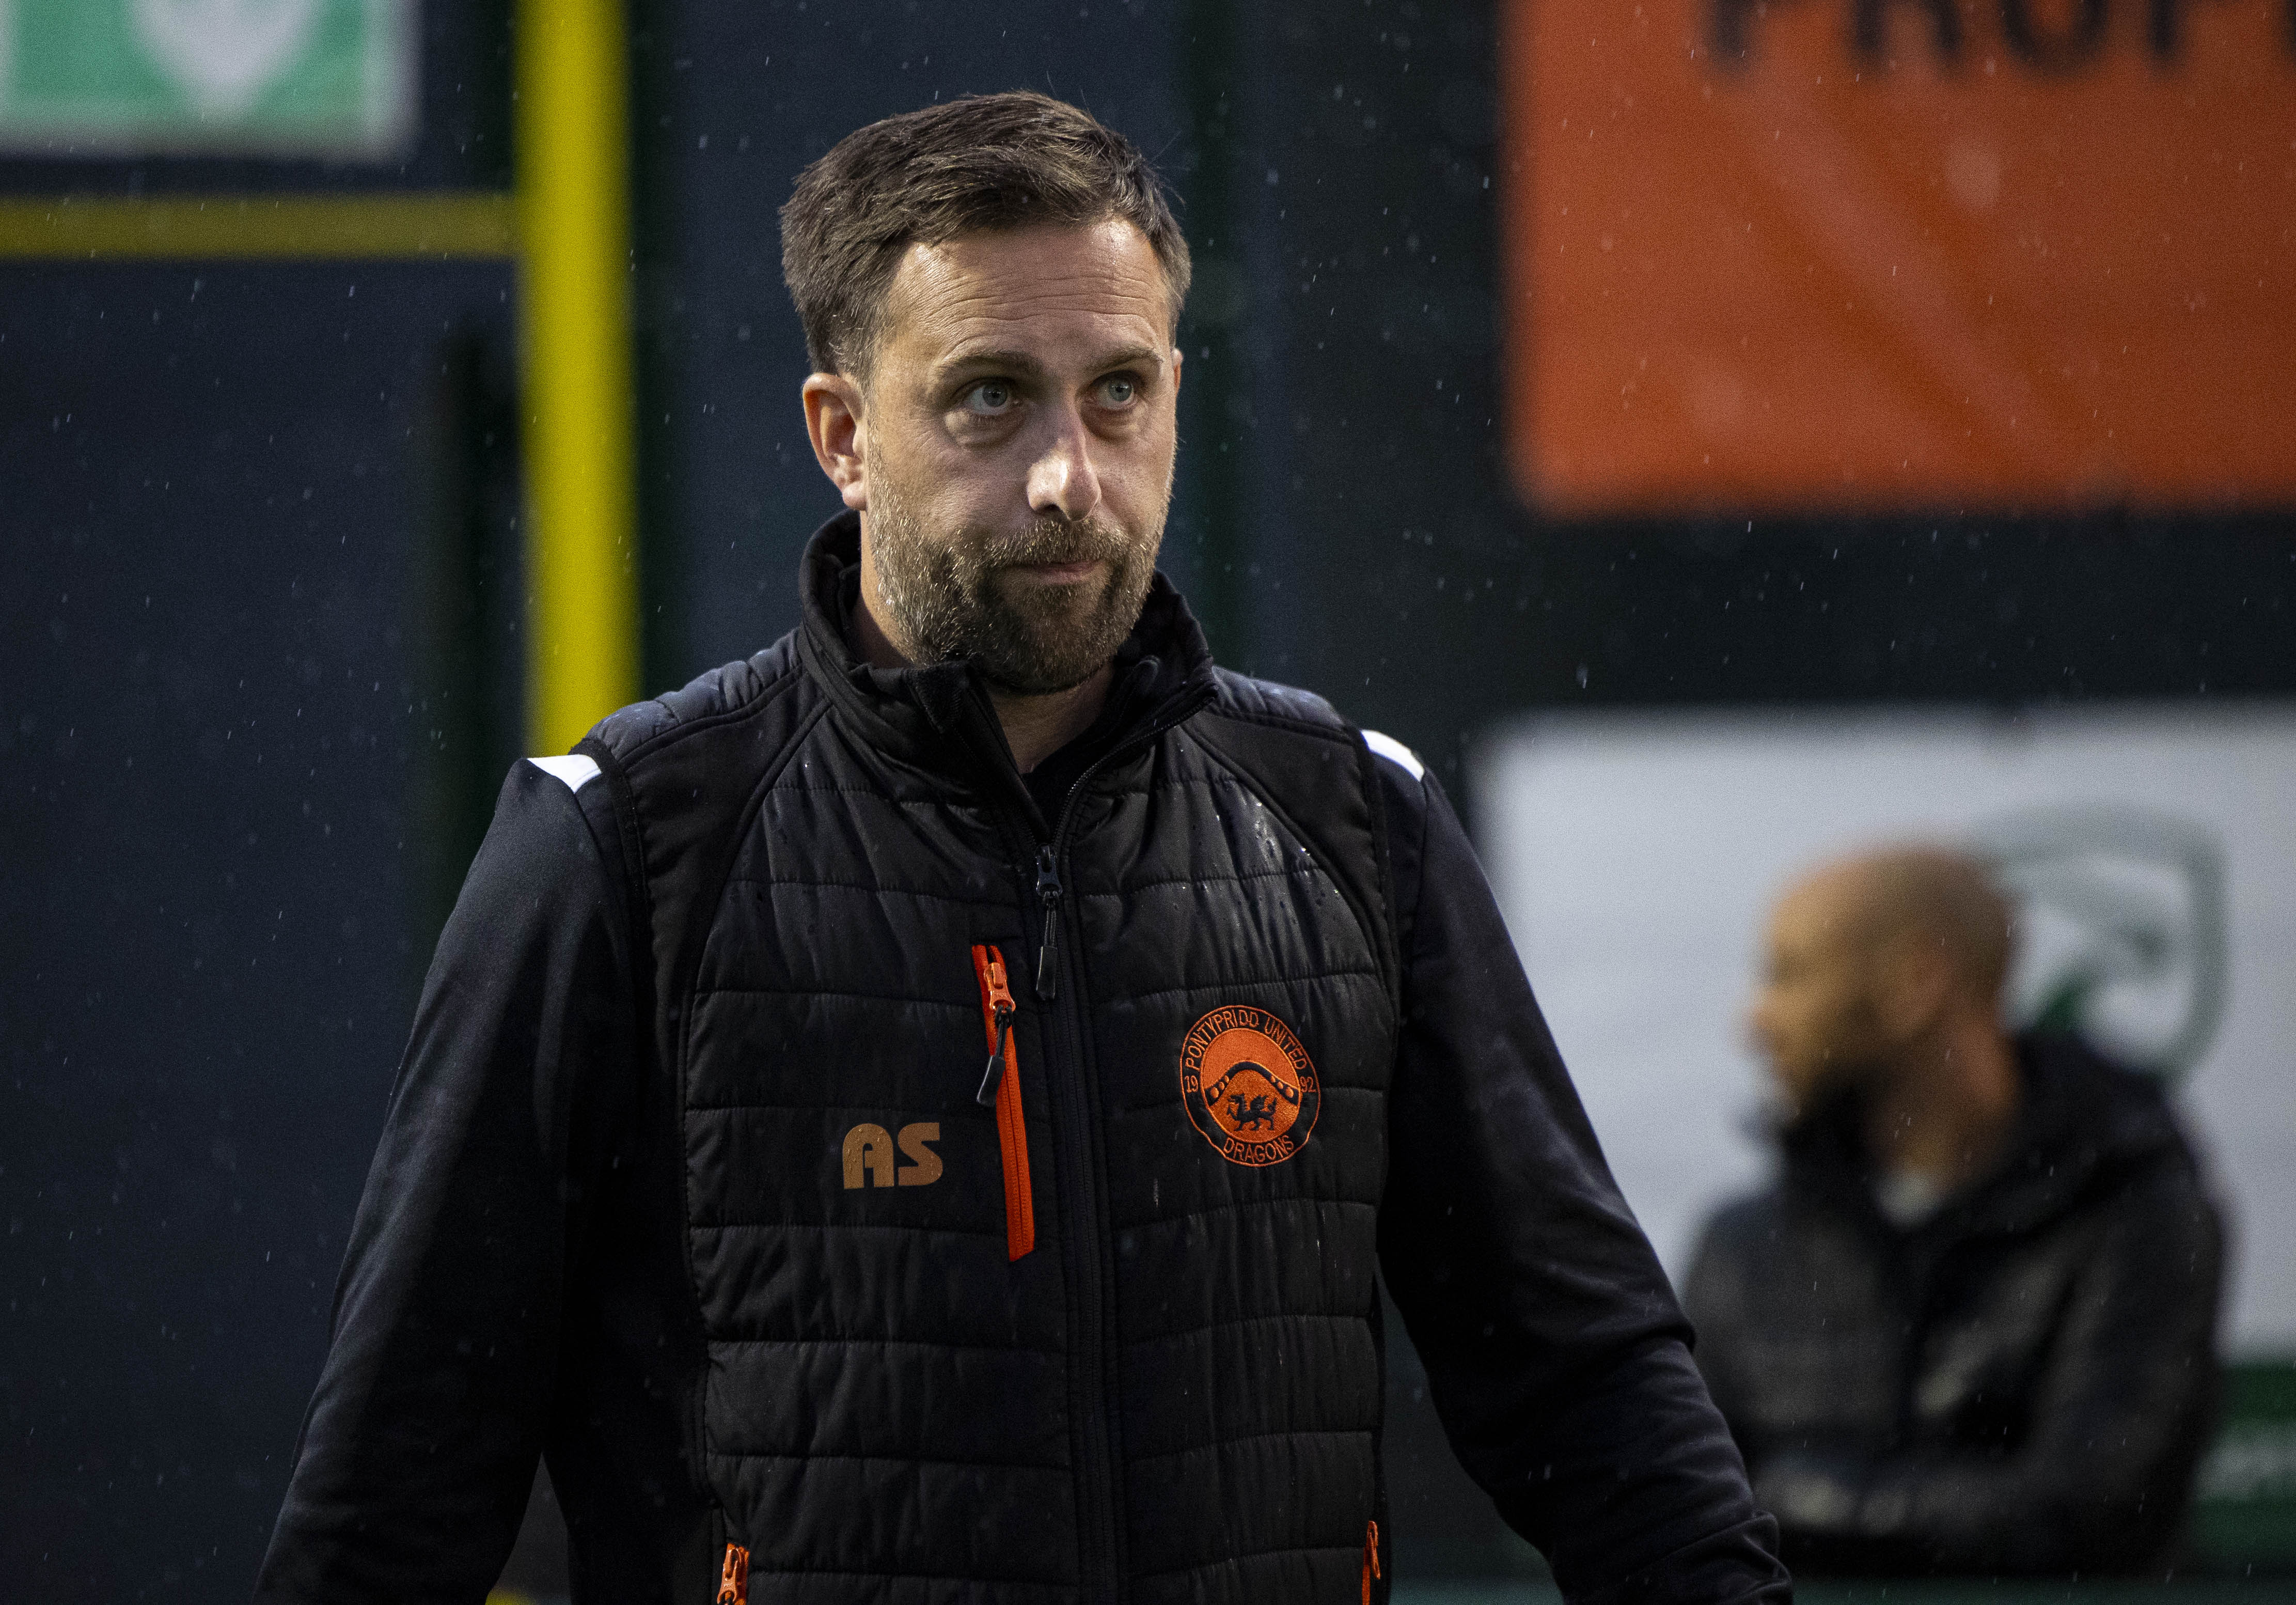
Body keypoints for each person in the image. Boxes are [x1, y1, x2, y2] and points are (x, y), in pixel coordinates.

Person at [256, 93, 1785, 1605]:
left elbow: (1587, 1386)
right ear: (841, 435)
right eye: (989, 396)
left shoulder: (1347, 819)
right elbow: (398, 1482)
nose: (1071, 476)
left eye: (1117, 392)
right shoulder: (623, 845)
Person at [1685, 846, 2225, 1576]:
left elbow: (2089, 1518)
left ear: (1915, 981)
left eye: (1789, 974)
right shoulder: (1739, 1247)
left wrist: (1783, 1500)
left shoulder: (2136, 1214)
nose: (1757, 1022)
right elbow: (1688, 1520)